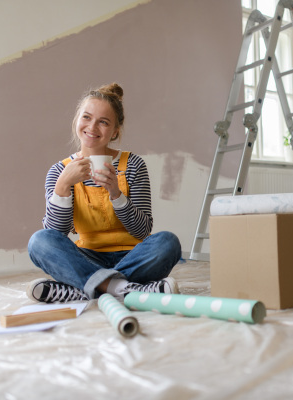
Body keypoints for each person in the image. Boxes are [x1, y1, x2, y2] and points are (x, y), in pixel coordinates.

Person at [27, 83, 182, 303]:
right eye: (86, 117)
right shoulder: (59, 171)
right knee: (39, 241)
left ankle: (83, 288)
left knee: (167, 242)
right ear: (77, 121)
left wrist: (116, 193)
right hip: (86, 257)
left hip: (133, 255)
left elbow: (142, 230)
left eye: (104, 122)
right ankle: (125, 288)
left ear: (115, 130)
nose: (92, 127)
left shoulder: (134, 164)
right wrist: (63, 185)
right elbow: (56, 233)